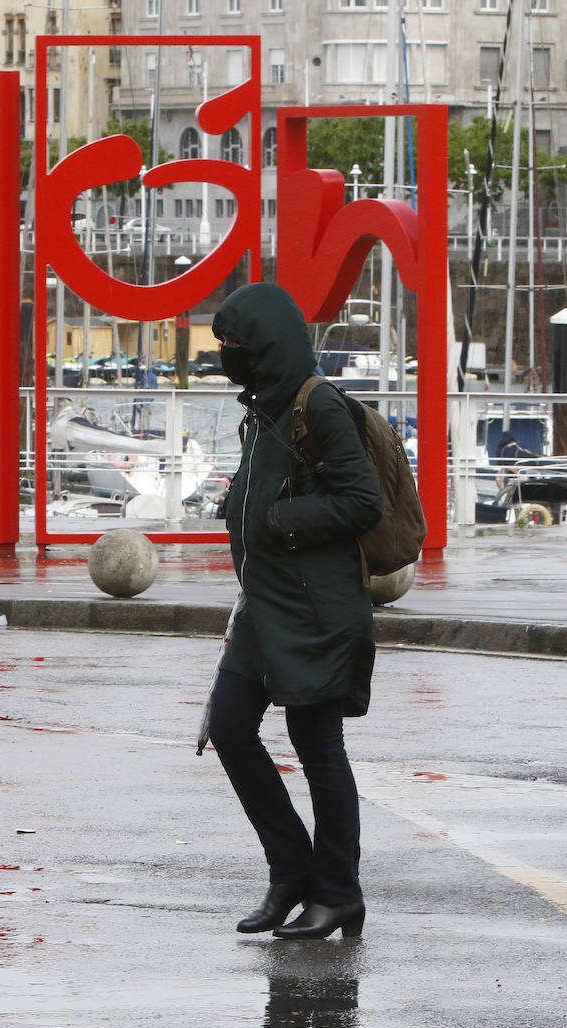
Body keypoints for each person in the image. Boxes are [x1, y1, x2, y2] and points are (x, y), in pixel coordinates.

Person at [207, 282, 382, 940]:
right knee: (228, 728)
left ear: (269, 347)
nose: (229, 356)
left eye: (236, 346)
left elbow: (360, 501)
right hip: (263, 609)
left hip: (317, 612)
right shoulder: (264, 408)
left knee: (318, 749)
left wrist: (280, 519)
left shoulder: (320, 405)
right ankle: (291, 873)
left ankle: (339, 892)